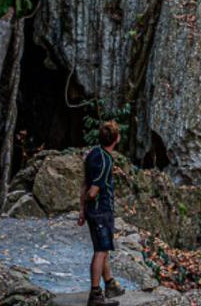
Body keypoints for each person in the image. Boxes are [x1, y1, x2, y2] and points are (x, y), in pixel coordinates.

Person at [78, 120, 125, 305]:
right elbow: (92, 190)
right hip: (101, 211)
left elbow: (84, 184)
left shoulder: (93, 154)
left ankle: (110, 284)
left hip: (92, 211)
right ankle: (95, 294)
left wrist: (82, 210)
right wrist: (91, 201)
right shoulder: (106, 160)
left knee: (102, 249)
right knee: (100, 251)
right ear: (116, 139)